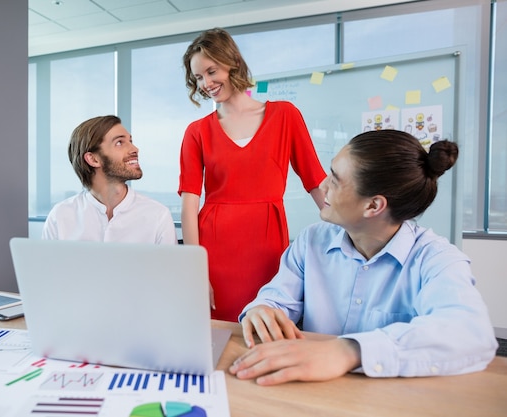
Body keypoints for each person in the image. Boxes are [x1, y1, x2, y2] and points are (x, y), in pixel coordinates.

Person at [229, 130, 498, 384]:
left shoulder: (436, 259)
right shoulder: (312, 241)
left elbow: (471, 333)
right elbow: (276, 298)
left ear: (373, 205)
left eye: (334, 179)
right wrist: (262, 309)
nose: (322, 185)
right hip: (311, 391)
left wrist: (348, 350)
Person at [178, 28, 327, 322]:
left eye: (211, 71)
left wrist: (352, 227)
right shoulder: (197, 132)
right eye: (198, 77)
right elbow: (188, 206)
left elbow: (315, 181)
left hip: (268, 246)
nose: (206, 83)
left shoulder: (286, 116)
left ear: (232, 62)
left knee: (269, 325)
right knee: (218, 335)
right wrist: (196, 270)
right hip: (215, 248)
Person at [42, 115, 177, 244]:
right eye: (119, 142)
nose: (135, 149)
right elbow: (45, 267)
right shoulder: (60, 217)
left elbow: (171, 268)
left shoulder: (158, 215)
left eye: (130, 141)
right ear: (93, 159)